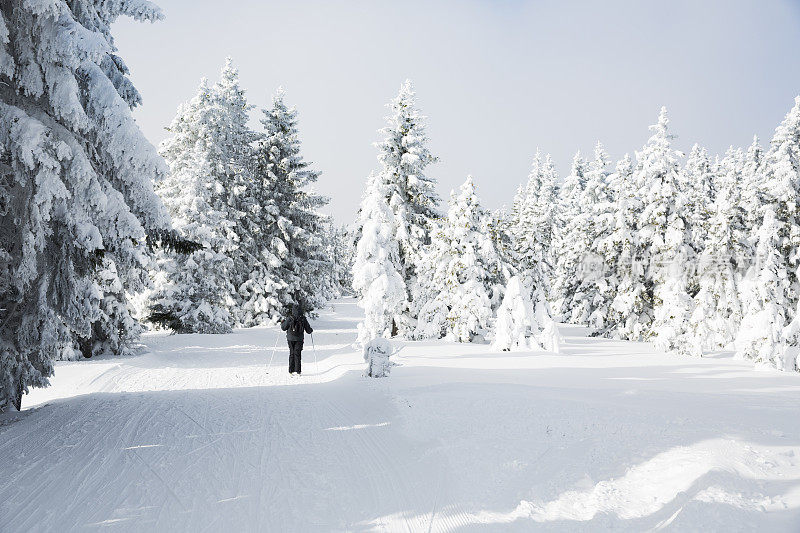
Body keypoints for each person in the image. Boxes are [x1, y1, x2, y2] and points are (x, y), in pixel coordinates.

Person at [281, 304, 313, 375]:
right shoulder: (303, 318)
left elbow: (283, 328)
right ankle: (298, 371)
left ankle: (290, 371)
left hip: (290, 338)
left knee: (292, 353)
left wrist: (282, 322)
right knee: (297, 354)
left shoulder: (290, 318)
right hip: (299, 339)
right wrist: (311, 330)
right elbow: (308, 330)